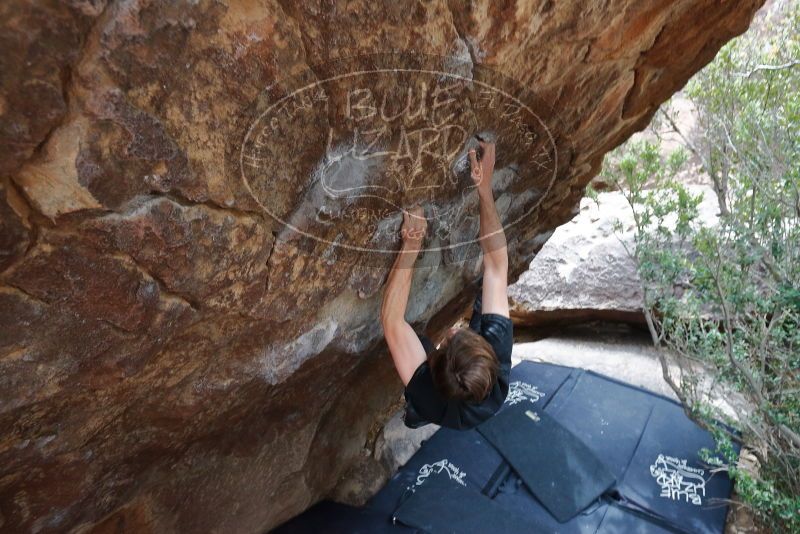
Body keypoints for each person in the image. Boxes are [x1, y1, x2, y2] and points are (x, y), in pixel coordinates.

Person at [380, 139, 513, 430]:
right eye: (461, 334)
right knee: (487, 288)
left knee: (419, 373)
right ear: (484, 347)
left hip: (435, 402)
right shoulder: (497, 348)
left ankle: (412, 411)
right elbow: (496, 263)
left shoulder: (430, 395)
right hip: (475, 371)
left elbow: (391, 321)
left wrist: (412, 242)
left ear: (434, 368)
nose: (452, 329)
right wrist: (484, 188)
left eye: (450, 338)